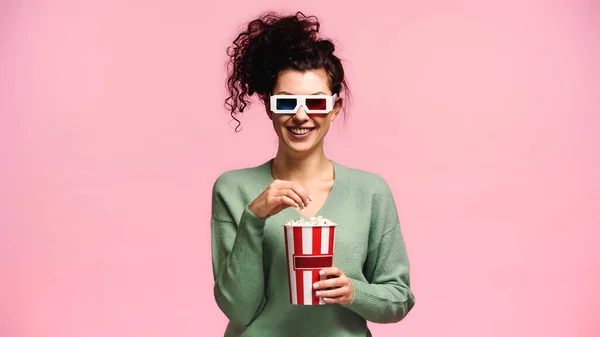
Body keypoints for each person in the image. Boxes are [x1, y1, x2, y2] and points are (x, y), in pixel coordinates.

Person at [210, 11, 415, 337]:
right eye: (287, 104)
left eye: (316, 103)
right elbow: (237, 308)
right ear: (269, 107)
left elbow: (399, 298)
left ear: (334, 108)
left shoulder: (370, 192)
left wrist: (354, 292)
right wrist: (254, 217)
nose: (301, 116)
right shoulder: (234, 189)